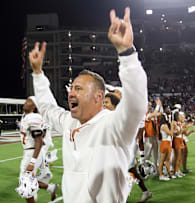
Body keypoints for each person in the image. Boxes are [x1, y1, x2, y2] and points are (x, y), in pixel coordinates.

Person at [29, 7, 148, 202]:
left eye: (79, 88)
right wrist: (37, 74)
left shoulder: (113, 125)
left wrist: (127, 54)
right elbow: (48, 108)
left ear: (98, 97)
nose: (71, 93)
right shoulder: (69, 122)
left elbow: (136, 103)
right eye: (72, 88)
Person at [18, 96, 58, 202]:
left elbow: (39, 140)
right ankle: (50, 188)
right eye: (25, 101)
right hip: (30, 151)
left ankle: (47, 189)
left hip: (32, 152)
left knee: (25, 184)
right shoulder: (29, 117)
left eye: (29, 102)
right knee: (27, 181)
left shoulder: (33, 117)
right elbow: (42, 134)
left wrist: (32, 161)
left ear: (34, 106)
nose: (25, 103)